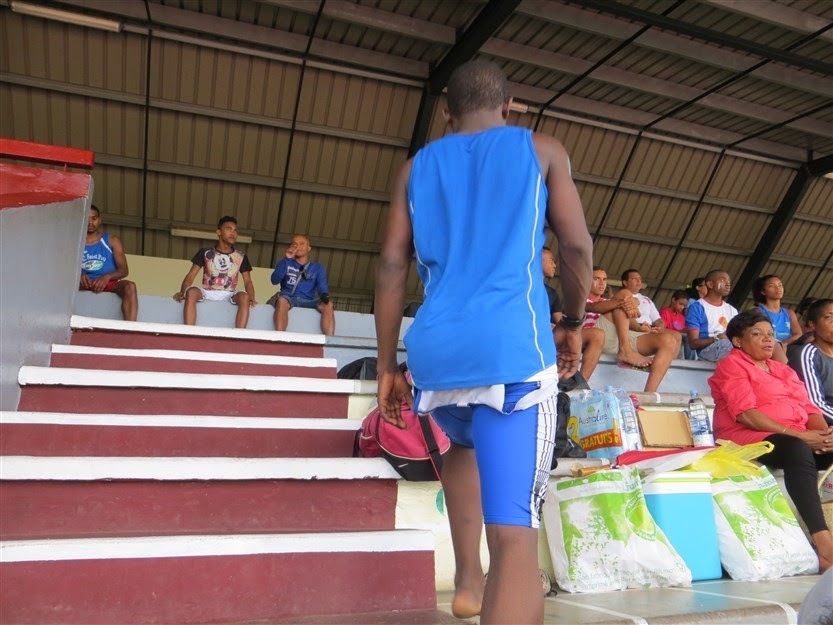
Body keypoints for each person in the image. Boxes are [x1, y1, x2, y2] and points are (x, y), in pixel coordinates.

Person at [374, 60, 593, 624]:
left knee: (465, 447)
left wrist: (386, 365)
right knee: (516, 537)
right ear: (509, 105)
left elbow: (392, 264)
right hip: (510, 351)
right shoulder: (542, 150)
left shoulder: (415, 167)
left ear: (446, 112)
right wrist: (572, 319)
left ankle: (468, 580)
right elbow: (575, 248)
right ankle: (484, 578)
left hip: (437, 355)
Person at [708, 309, 833, 572]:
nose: (768, 339)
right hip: (745, 437)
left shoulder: (781, 369)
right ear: (738, 341)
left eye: (770, 334)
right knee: (797, 449)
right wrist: (802, 436)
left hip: (794, 434)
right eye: (757, 334)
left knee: (811, 446)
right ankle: (824, 546)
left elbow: (810, 409)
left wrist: (824, 436)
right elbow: (746, 415)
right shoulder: (732, 365)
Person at [586, 267, 681, 393]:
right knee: (624, 296)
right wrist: (627, 302)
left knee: (669, 340)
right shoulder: (580, 299)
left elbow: (624, 314)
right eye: (596, 279)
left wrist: (640, 328)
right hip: (595, 335)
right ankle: (625, 350)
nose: (602, 283)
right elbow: (594, 307)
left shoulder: (610, 301)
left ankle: (649, 394)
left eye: (604, 279)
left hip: (618, 337)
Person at [173, 216, 256, 329]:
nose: (233, 233)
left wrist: (251, 298)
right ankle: (189, 332)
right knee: (191, 292)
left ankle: (239, 335)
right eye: (228, 229)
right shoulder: (205, 252)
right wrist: (183, 292)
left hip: (229, 293)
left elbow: (248, 281)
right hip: (207, 291)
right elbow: (191, 276)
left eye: (235, 230)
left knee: (244, 296)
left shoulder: (241, 256)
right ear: (219, 232)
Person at [545, 248, 603, 382]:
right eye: (551, 261)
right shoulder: (519, 288)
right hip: (531, 333)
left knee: (597, 334)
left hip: (551, 333)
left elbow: (560, 321)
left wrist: (562, 327)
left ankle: (580, 383)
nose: (555, 265)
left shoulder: (551, 293)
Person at [80, 204, 138, 321]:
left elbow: (124, 270)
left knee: (130, 286)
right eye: (87, 219)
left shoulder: (112, 240)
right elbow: (63, 268)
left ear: (100, 220)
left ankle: (130, 327)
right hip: (82, 284)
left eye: (94, 218)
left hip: (108, 283)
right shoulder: (75, 242)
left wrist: (107, 277)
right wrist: (79, 275)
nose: (90, 222)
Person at [269, 234, 335, 336]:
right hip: (288, 298)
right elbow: (274, 280)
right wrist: (287, 259)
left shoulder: (317, 267)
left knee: (328, 304)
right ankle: (280, 337)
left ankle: (329, 340)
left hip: (308, 301)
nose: (297, 246)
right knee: (281, 300)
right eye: (294, 244)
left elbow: (322, 285)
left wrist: (324, 295)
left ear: (308, 248)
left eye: (301, 244)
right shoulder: (284, 262)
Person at [789, 299, 833, 425]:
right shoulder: (807, 355)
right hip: (823, 424)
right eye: (829, 317)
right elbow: (815, 404)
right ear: (812, 325)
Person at [685, 269, 738, 362]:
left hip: (728, 347)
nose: (728, 284)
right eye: (723, 280)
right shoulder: (697, 307)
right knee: (728, 344)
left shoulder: (732, 310)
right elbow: (693, 343)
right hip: (706, 351)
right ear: (710, 284)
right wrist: (717, 338)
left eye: (729, 281)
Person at [754, 274, 802, 363]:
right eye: (772, 286)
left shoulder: (789, 313)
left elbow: (798, 334)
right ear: (763, 292)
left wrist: (785, 343)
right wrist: (779, 345)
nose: (778, 288)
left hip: (788, 346)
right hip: (770, 347)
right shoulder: (759, 312)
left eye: (780, 285)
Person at [661, 290, 693, 359]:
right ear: (673, 300)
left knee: (691, 335)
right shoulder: (664, 312)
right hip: (668, 335)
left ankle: (690, 360)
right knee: (688, 337)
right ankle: (690, 360)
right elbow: (662, 329)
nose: (682, 307)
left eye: (684, 305)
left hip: (679, 336)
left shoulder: (681, 316)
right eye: (680, 304)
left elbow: (680, 329)